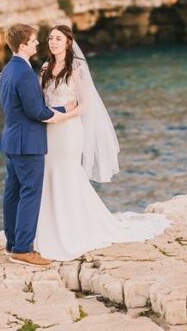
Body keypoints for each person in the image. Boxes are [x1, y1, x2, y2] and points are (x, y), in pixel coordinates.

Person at [34, 24, 169, 261]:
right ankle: (49, 227)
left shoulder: (75, 70)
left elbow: (86, 105)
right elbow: (38, 99)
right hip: (49, 131)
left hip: (68, 130)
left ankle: (75, 227)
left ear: (68, 42)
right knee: (49, 172)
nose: (53, 42)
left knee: (68, 172)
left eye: (58, 38)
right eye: (50, 39)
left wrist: (64, 116)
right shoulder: (45, 68)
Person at [0, 23, 79, 267]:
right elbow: (36, 111)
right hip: (27, 143)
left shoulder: (8, 69)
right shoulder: (22, 72)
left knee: (12, 193)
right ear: (22, 45)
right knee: (30, 193)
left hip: (11, 139)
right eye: (33, 41)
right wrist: (64, 110)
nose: (37, 44)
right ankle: (23, 249)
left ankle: (12, 244)